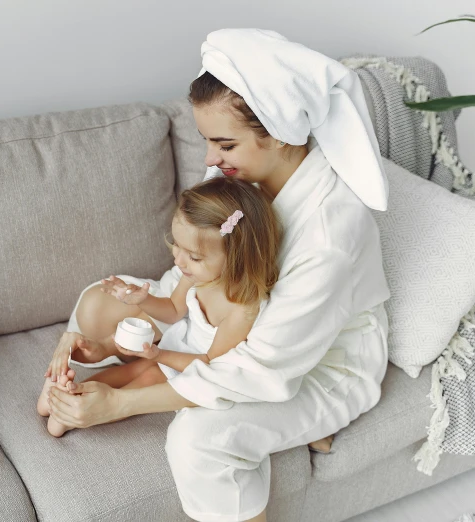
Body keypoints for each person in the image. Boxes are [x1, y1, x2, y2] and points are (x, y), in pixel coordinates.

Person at [43, 28, 390, 522]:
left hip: (309, 363)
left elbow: (256, 366)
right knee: (102, 300)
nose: (208, 159)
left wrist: (121, 404)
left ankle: (313, 420)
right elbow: (192, 277)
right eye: (207, 141)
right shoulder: (238, 180)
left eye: (224, 143)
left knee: (199, 440)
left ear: (283, 134)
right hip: (221, 314)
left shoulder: (330, 234)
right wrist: (106, 328)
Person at [37, 176, 282, 437]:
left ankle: (72, 414)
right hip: (170, 348)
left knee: (147, 379)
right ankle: (65, 396)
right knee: (129, 370)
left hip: (187, 369)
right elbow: (173, 311)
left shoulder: (241, 310)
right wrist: (143, 300)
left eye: (194, 256)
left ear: (238, 258)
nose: (179, 260)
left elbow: (209, 363)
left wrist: (159, 357)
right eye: (177, 245)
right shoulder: (198, 277)